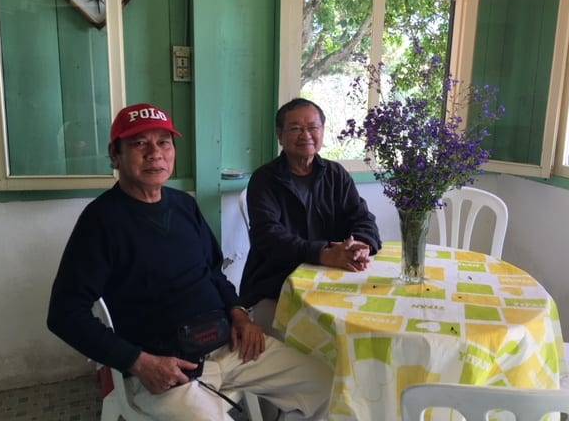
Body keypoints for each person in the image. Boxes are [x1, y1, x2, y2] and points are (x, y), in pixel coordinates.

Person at [47, 103, 331, 421]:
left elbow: (214, 272)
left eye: (164, 142)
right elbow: (64, 314)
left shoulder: (184, 205)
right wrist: (138, 362)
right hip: (164, 369)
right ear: (116, 155)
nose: (155, 153)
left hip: (229, 347)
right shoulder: (100, 221)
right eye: (139, 143)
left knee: (327, 386)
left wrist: (239, 314)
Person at [240, 98, 381, 331]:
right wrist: (323, 254)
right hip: (278, 283)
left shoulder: (336, 174)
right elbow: (268, 237)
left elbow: (362, 217)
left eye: (313, 127)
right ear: (280, 136)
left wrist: (361, 244)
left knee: (367, 317)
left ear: (322, 131)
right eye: (295, 128)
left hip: (332, 278)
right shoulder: (264, 180)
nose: (305, 135)